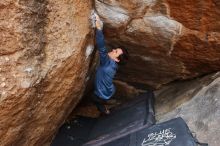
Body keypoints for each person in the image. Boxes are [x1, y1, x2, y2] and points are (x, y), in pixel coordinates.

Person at [92, 14, 129, 115]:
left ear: (117, 60)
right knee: (101, 99)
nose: (113, 50)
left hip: (101, 95)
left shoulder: (107, 62)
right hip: (109, 91)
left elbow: (102, 47)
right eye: (115, 49)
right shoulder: (114, 65)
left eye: (115, 52)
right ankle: (106, 106)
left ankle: (104, 111)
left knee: (94, 99)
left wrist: (99, 29)